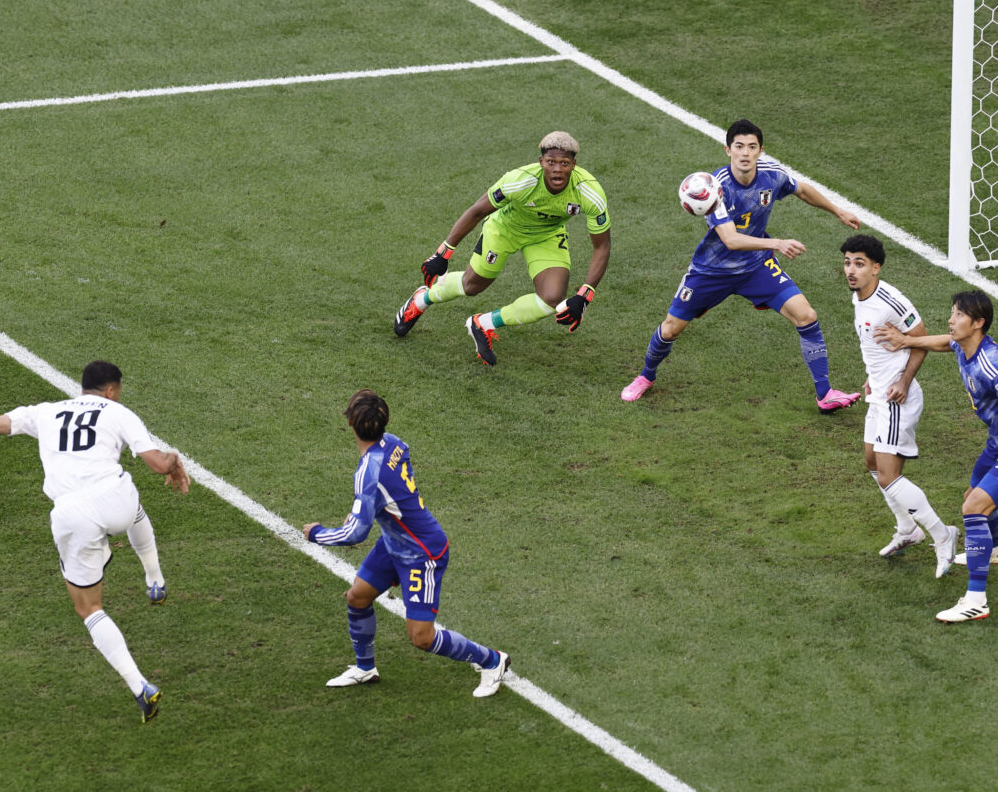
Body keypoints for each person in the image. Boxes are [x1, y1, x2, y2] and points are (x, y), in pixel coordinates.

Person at [0, 360, 190, 721]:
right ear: (112, 390)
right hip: (115, 499)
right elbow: (157, 463)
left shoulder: (45, 412)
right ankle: (154, 580)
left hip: (72, 516)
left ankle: (140, 687)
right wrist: (174, 460)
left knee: (90, 609)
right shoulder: (118, 413)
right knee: (131, 501)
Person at [620, 119, 862, 413]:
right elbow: (731, 240)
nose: (745, 153)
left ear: (761, 150)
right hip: (712, 271)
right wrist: (777, 244)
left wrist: (837, 210)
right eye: (739, 147)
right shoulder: (713, 187)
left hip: (755, 268)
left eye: (752, 147)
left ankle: (825, 394)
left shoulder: (772, 176)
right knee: (670, 329)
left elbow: (802, 190)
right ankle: (646, 376)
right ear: (728, 150)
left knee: (806, 315)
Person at [302, 389, 510, 697]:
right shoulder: (395, 443)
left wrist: (316, 533)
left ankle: (492, 661)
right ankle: (365, 668)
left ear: (349, 425)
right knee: (357, 597)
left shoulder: (368, 474)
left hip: (421, 554)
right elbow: (389, 495)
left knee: (421, 637)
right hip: (395, 542)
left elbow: (354, 535)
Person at [393, 131, 612, 366]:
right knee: (472, 286)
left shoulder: (590, 192)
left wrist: (585, 293)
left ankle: (483, 324)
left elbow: (602, 246)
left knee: (552, 298)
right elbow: (477, 210)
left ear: (574, 165)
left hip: (547, 235)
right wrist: (444, 251)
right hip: (505, 230)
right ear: (541, 163)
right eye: (551, 162)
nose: (558, 169)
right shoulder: (520, 180)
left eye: (565, 163)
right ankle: (421, 299)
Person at [876, 291, 998, 622]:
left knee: (973, 509)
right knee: (974, 496)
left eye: (958, 315)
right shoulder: (964, 345)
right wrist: (904, 340)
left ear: (978, 323)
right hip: (995, 441)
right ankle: (996, 549)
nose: (950, 319)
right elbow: (946, 342)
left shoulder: (991, 364)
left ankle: (976, 600)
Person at [842, 235, 958, 575]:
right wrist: (871, 377)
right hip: (878, 392)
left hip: (897, 398)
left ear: (876, 268)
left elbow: (919, 341)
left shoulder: (891, 300)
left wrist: (902, 382)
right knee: (872, 464)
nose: (851, 270)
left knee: (890, 476)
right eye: (848, 262)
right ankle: (907, 530)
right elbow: (874, 345)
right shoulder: (859, 297)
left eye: (859, 264)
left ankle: (942, 535)